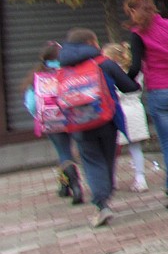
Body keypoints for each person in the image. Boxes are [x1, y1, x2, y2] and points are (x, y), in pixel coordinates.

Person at [59, 28, 140, 227]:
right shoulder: (104, 63)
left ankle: (102, 204)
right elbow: (129, 86)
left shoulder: (62, 70)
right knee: (107, 159)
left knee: (92, 161)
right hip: (107, 121)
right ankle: (106, 195)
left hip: (79, 125)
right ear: (90, 43)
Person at [122, 0, 168, 210]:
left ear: (134, 11)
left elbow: (135, 68)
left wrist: (122, 84)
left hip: (160, 93)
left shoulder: (138, 34)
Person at [22, 41, 83, 205]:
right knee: (76, 149)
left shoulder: (38, 78)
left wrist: (40, 116)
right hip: (74, 118)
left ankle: (72, 186)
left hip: (51, 121)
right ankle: (69, 184)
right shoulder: (70, 72)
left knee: (63, 153)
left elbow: (31, 104)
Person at [102, 43, 150, 193]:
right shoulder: (136, 69)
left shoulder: (111, 71)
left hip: (118, 111)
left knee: (112, 150)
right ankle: (140, 179)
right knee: (136, 148)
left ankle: (111, 181)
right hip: (136, 109)